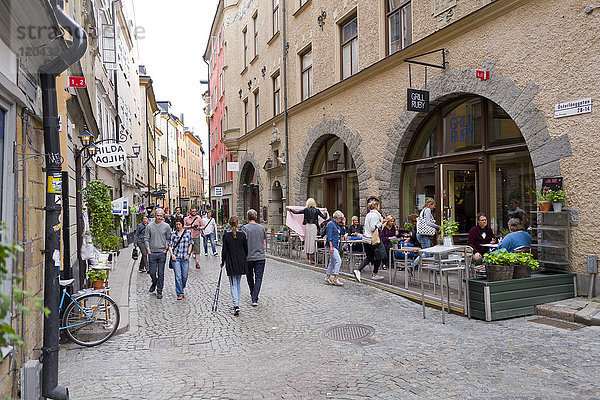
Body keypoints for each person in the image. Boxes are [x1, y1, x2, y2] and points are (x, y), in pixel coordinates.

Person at [353, 199, 390, 282]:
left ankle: (358, 270)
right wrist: (382, 223)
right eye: (379, 206)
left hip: (366, 239)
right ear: (376, 206)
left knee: (369, 257)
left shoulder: (368, 215)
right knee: (379, 255)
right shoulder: (375, 215)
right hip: (372, 239)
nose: (379, 207)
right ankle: (375, 274)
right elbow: (373, 227)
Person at [220, 216, 248, 316]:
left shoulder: (226, 236)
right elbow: (246, 249)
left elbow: (224, 251)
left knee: (233, 284)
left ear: (229, 224)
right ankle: (237, 303)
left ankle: (236, 304)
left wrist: (222, 261)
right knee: (238, 283)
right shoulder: (242, 235)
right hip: (240, 260)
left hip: (231, 261)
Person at [287, 198, 328, 265]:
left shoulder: (306, 210)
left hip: (307, 226)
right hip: (313, 227)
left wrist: (290, 210)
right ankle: (311, 259)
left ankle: (308, 259)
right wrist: (325, 211)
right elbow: (324, 217)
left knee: (307, 242)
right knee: (312, 242)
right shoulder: (316, 210)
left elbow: (296, 212)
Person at [144, 208, 172, 300]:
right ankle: (154, 282)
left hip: (161, 252)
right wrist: (148, 250)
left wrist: (166, 249)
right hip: (152, 252)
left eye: (161, 216)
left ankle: (159, 291)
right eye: (157, 215)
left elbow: (169, 238)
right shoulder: (149, 226)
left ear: (163, 216)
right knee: (152, 272)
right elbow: (146, 238)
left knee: (161, 273)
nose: (159, 217)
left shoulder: (166, 226)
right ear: (155, 215)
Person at [241, 209, 267, 306]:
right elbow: (264, 243)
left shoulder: (244, 228)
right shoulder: (262, 228)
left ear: (247, 217)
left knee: (249, 277)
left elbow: (243, 243)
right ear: (256, 217)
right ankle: (254, 297)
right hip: (260, 256)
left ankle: (253, 294)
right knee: (259, 278)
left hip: (248, 257)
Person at [168, 218, 193, 300]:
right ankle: (180, 293)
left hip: (185, 257)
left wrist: (188, 254)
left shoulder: (188, 233)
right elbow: (170, 245)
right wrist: (172, 255)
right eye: (176, 225)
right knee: (178, 276)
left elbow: (190, 243)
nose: (178, 226)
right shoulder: (173, 234)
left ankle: (181, 287)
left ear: (182, 224)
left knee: (184, 276)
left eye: (179, 224)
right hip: (176, 258)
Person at [325, 211, 346, 286]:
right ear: (337, 218)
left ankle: (327, 277)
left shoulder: (336, 225)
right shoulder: (331, 224)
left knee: (332, 262)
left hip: (335, 245)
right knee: (338, 261)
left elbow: (342, 232)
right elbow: (329, 236)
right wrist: (331, 247)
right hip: (333, 245)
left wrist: (343, 224)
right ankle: (336, 278)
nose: (341, 220)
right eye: (341, 219)